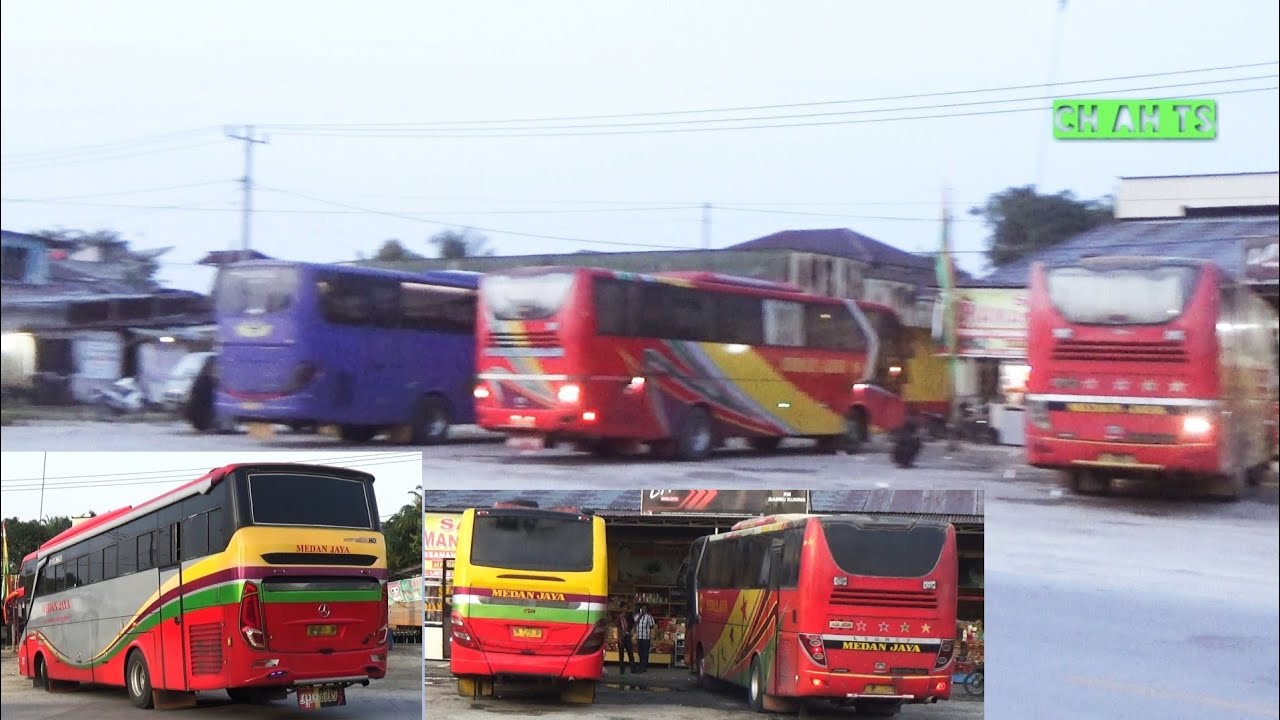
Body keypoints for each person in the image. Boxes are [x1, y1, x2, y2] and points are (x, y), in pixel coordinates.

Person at [634, 604, 656, 673]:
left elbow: (652, 626)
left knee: (645, 653)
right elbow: (634, 624)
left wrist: (650, 634)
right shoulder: (637, 616)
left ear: (646, 609)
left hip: (646, 638)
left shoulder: (649, 617)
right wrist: (640, 616)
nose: (643, 610)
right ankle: (642, 666)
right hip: (639, 637)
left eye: (645, 608)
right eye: (642, 608)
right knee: (640, 652)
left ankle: (643, 667)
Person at [616, 603, 637, 674]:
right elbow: (617, 625)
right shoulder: (618, 617)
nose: (625, 609)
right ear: (621, 609)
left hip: (627, 636)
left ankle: (633, 668)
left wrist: (631, 630)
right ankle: (622, 670)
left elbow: (633, 624)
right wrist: (619, 638)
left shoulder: (629, 616)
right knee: (621, 654)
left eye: (626, 608)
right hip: (621, 637)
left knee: (630, 653)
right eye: (624, 607)